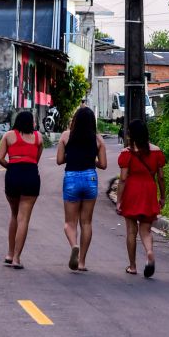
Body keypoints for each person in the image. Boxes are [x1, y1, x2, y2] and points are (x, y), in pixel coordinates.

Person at [56, 106, 107, 272]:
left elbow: (59, 160)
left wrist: (72, 155)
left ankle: (74, 245)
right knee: (86, 222)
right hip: (90, 177)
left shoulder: (66, 136)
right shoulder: (98, 140)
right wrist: (91, 160)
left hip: (72, 177)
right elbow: (104, 165)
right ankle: (82, 262)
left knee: (69, 223)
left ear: (75, 120)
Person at [115, 118, 166, 279]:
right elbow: (161, 177)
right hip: (149, 190)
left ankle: (132, 266)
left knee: (131, 231)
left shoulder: (126, 153)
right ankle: (149, 252)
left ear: (130, 135)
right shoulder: (156, 151)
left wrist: (119, 200)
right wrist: (163, 196)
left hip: (132, 191)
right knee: (146, 230)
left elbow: (123, 179)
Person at [0, 110, 44, 269]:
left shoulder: (8, 136)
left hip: (13, 175)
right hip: (31, 175)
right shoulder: (38, 137)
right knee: (24, 219)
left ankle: (9, 254)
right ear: (32, 122)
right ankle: (17, 258)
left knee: (14, 215)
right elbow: (36, 159)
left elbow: (0, 158)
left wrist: (11, 167)